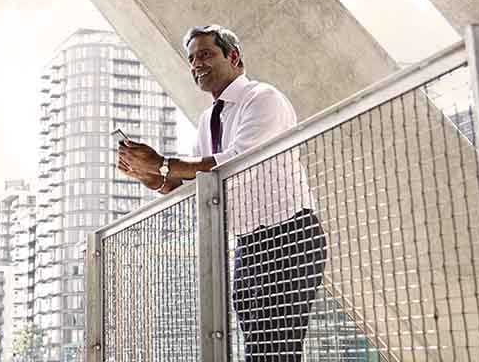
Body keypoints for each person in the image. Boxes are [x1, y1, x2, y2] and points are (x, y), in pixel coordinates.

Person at [117, 25, 326, 361]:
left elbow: (235, 164)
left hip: (290, 235)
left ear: (234, 56)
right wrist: (150, 175)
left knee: (274, 348)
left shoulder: (262, 99)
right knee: (260, 348)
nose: (196, 63)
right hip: (249, 245)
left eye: (206, 54)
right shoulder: (207, 119)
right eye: (191, 58)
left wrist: (164, 163)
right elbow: (197, 184)